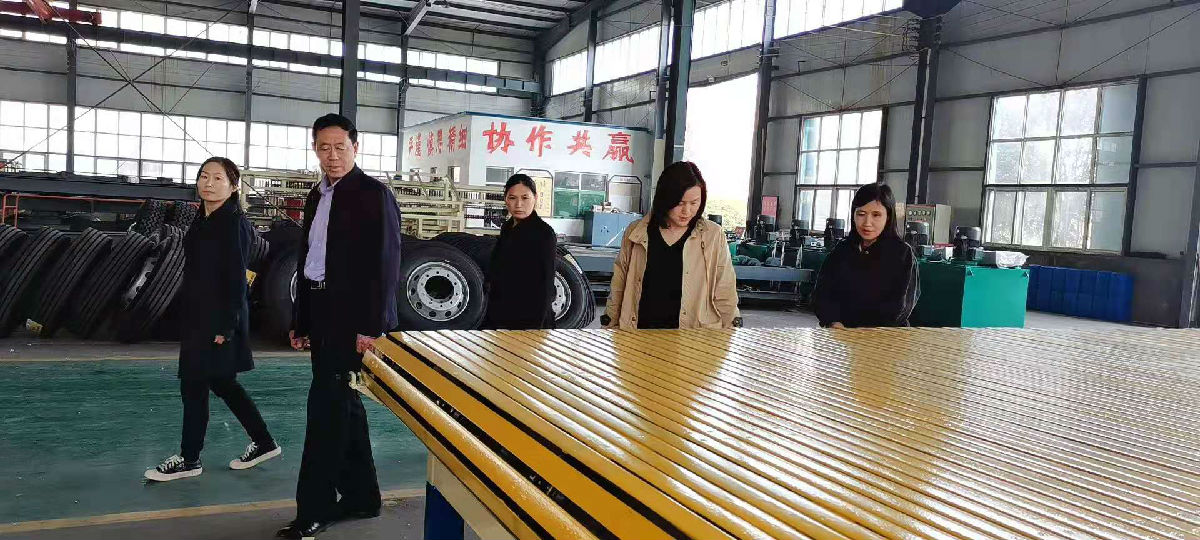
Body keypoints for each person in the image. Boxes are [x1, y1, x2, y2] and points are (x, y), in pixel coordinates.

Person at [276, 114, 403, 540]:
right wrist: (301, 319)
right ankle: (362, 497)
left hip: (352, 318)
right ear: (315, 149)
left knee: (326, 411)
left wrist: (371, 326)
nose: (332, 156)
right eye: (323, 148)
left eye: (340, 147)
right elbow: (309, 260)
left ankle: (313, 510)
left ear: (355, 147)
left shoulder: (373, 194)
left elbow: (385, 264)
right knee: (343, 403)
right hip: (321, 308)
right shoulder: (318, 195)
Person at [145, 157, 280, 482]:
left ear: (233, 186)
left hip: (217, 321)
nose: (208, 183)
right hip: (199, 317)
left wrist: (225, 326)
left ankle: (189, 459)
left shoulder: (232, 223)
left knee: (195, 386)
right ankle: (263, 442)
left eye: (218, 178)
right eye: (204, 176)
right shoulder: (203, 218)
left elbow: (236, 278)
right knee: (221, 383)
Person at [601, 161, 741, 330]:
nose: (687, 211)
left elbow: (725, 291)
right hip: (639, 334)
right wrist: (610, 326)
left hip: (693, 338)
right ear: (665, 199)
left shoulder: (713, 235)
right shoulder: (637, 232)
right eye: (680, 203)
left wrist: (732, 331)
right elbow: (619, 284)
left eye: (694, 203)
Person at [812, 182, 919, 328]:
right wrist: (832, 321)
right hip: (842, 334)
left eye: (876, 215)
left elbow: (901, 305)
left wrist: (868, 331)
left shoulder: (902, 254)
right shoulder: (842, 250)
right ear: (853, 215)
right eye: (861, 214)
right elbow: (822, 293)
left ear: (888, 217)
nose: (867, 223)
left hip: (885, 336)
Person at [484, 174, 558, 329]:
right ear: (505, 199)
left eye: (525, 198)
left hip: (530, 320)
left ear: (535, 198)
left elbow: (545, 284)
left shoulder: (543, 233)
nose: (518, 204)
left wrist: (534, 330)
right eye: (512, 198)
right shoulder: (507, 228)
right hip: (500, 314)